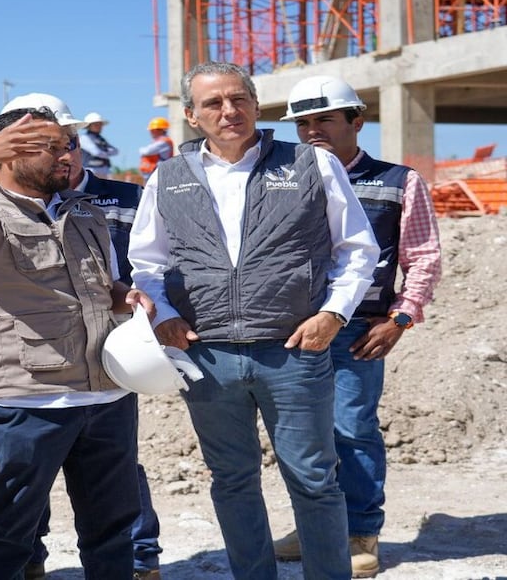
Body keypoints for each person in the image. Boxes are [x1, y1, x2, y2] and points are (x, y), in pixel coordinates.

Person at [126, 62, 379, 580]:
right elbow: (146, 262)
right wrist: (165, 318)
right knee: (232, 479)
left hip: (292, 351)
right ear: (193, 117)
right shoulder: (167, 177)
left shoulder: (310, 163)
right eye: (213, 103)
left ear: (255, 105)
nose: (228, 111)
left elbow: (357, 249)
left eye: (238, 99)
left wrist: (333, 314)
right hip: (208, 355)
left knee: (313, 479)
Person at [0, 92, 144, 579]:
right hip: (26, 401)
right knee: (12, 532)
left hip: (106, 393)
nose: (68, 154)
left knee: (113, 526)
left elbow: (106, 286)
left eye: (70, 143)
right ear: (8, 152)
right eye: (53, 146)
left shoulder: (85, 212)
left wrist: (128, 299)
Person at [272, 75, 442, 577]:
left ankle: (360, 529)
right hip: (292, 329)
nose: (311, 131)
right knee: (302, 434)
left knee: (352, 427)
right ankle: (317, 527)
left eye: (324, 119)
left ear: (356, 122)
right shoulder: (280, 182)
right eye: (303, 123)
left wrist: (401, 318)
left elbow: (423, 258)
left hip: (358, 329)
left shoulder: (397, 181)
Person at [28, 133, 163, 580]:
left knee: (116, 465)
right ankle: (30, 559)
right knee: (32, 467)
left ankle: (140, 556)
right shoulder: (6, 206)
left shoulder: (124, 197)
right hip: (38, 358)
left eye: (65, 145)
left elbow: (152, 260)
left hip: (115, 347)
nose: (58, 156)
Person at [80, 111, 120, 178]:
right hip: (90, 170)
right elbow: (96, 152)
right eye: (96, 124)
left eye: (100, 124)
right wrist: (107, 152)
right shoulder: (84, 138)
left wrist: (105, 153)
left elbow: (115, 151)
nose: (99, 126)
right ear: (89, 126)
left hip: (104, 170)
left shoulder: (101, 139)